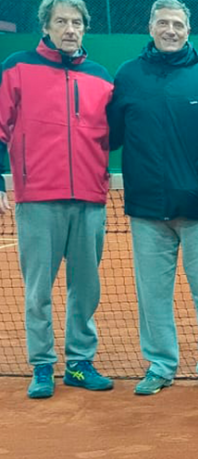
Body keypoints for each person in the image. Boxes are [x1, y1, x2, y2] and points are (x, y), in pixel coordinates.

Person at [107, 0, 198, 396]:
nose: (170, 30)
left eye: (177, 24)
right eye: (163, 23)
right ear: (150, 27)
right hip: (147, 210)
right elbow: (111, 136)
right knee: (152, 296)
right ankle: (160, 365)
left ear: (188, 30)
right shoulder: (128, 76)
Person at [0, 0, 114, 399]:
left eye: (77, 22)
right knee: (38, 291)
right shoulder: (17, 66)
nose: (70, 28)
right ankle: (42, 365)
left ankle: (80, 363)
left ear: (84, 28)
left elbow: (114, 134)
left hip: (90, 199)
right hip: (37, 199)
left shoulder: (101, 77)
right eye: (61, 21)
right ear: (45, 27)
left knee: (86, 288)